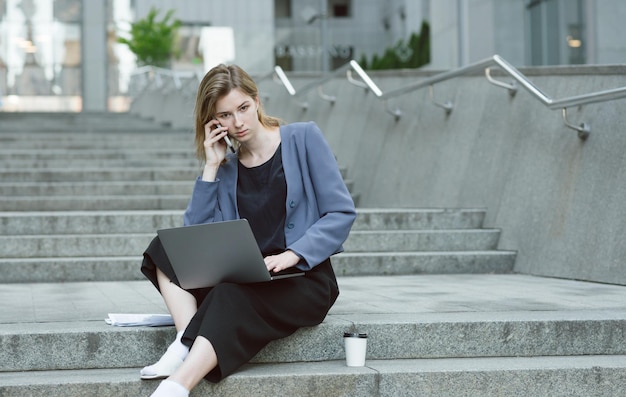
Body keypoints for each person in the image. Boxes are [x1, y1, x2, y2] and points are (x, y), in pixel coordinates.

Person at [139, 64, 356, 397]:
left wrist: (294, 254)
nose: (237, 122)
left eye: (242, 108)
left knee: (230, 295)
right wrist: (211, 167)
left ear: (257, 101)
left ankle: (177, 386)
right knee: (164, 247)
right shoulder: (225, 169)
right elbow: (192, 241)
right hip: (246, 275)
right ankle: (185, 342)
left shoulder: (303, 138)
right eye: (225, 116)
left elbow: (341, 212)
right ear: (213, 123)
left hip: (301, 277)